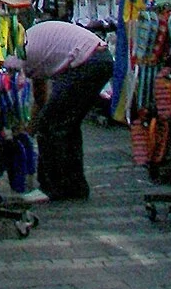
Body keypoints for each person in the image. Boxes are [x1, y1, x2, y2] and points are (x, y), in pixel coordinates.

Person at [19, 21, 113, 201]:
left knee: (51, 125)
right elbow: (41, 99)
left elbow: (39, 106)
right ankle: (75, 186)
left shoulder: (19, 54)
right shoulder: (29, 47)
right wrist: (30, 130)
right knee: (67, 125)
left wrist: (28, 130)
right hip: (99, 58)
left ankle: (52, 187)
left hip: (88, 61)